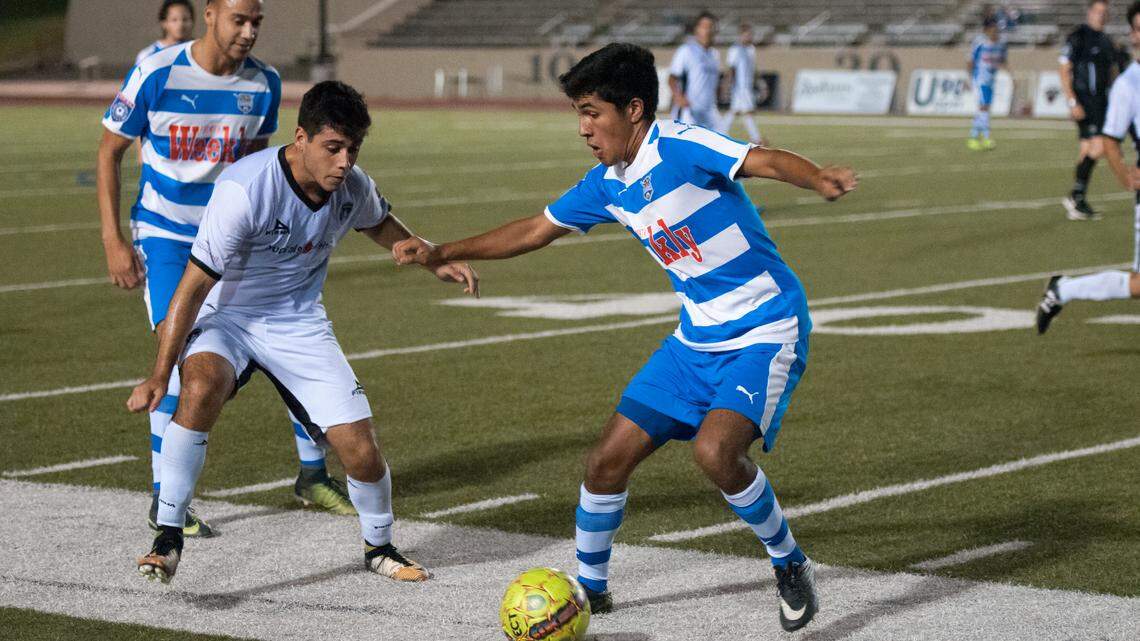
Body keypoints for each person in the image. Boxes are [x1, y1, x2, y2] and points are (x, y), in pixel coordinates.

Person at [392, 43, 857, 633]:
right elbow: (536, 228)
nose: (584, 129)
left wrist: (817, 177)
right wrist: (441, 250)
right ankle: (589, 590)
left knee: (716, 454)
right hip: (694, 341)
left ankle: (789, 562)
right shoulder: (606, 184)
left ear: (634, 109)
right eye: (578, 115)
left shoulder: (681, 146)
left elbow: (761, 159)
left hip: (766, 327)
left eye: (592, 112)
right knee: (605, 462)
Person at [128, 80, 479, 584]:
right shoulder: (245, 189)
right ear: (300, 139)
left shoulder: (352, 185)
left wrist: (433, 258)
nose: (343, 162)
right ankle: (167, 535)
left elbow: (380, 222)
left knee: (360, 450)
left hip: (299, 324)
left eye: (352, 150)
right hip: (230, 320)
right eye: (333, 148)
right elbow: (191, 288)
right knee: (200, 386)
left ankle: (379, 546)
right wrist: (161, 373)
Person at [97, 0, 355, 541]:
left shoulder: (264, 83)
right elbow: (110, 150)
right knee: (181, 351)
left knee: (288, 337)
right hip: (167, 235)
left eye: (257, 21)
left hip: (236, 237)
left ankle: (312, 475)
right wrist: (113, 238)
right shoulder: (157, 70)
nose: (249, 31)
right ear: (210, 14)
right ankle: (163, 497)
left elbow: (264, 168)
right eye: (239, 19)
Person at [1038, 1, 1140, 333]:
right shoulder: (1129, 84)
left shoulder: (1109, 49)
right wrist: (1127, 176)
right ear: (1135, 34)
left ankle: (1062, 289)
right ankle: (1063, 288)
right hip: (1088, 104)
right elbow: (1111, 140)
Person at [1060, 0, 1117, 220]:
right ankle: (1077, 195)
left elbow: (1111, 72)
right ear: (1089, 13)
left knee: (1086, 150)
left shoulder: (1106, 41)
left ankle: (1077, 199)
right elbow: (1064, 70)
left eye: (1104, 12)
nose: (1101, 16)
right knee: (1101, 145)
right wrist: (1072, 101)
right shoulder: (1078, 37)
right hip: (1086, 102)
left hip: (1102, 102)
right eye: (1097, 11)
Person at [668, 11, 723, 131]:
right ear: (696, 29)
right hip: (689, 112)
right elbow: (672, 78)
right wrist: (679, 97)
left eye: (711, 27)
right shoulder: (686, 50)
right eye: (704, 26)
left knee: (724, 145)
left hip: (710, 111)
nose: (708, 30)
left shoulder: (715, 55)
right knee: (685, 148)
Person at [967, 18, 1008, 150]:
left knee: (984, 108)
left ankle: (973, 137)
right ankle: (985, 137)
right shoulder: (979, 42)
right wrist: (969, 78)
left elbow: (1003, 60)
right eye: (992, 28)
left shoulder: (1001, 44)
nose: (995, 31)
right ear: (986, 30)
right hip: (980, 79)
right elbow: (971, 61)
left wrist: (1011, 76)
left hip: (991, 80)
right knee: (984, 107)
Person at [724, 23, 765, 145]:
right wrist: (727, 84)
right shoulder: (735, 49)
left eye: (750, 35)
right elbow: (731, 68)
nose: (749, 37)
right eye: (746, 35)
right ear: (740, 36)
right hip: (740, 87)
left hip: (748, 86)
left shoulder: (751, 49)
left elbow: (754, 68)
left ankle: (720, 131)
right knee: (748, 112)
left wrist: (761, 83)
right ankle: (757, 139)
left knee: (735, 111)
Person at [136, 0, 195, 66]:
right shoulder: (148, 55)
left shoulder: (201, 51)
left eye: (185, 19)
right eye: (174, 20)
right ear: (164, 23)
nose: (180, 24)